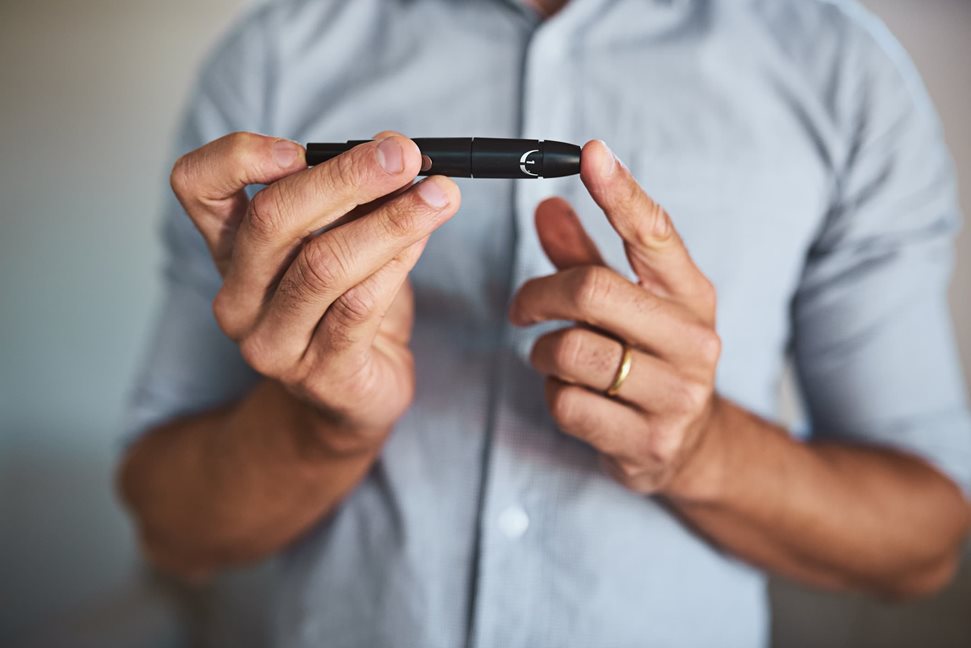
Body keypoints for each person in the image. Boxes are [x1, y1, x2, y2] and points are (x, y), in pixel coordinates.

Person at [117, 0, 971, 646]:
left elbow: (922, 544)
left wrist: (702, 446)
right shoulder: (276, 55)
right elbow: (169, 524)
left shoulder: (844, 72)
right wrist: (317, 427)